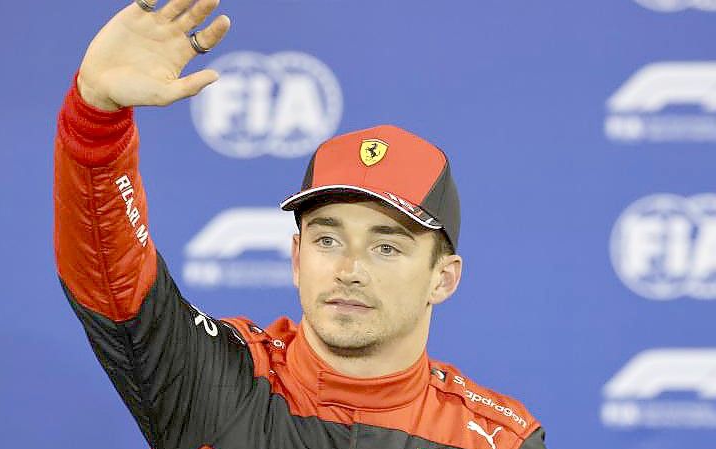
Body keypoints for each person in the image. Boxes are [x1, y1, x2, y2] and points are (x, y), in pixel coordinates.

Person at [53, 0, 548, 448]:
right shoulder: (222, 379)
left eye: (387, 247)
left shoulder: (497, 442)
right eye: (328, 239)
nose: (350, 268)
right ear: (296, 258)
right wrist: (97, 117)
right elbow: (111, 277)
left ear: (444, 278)